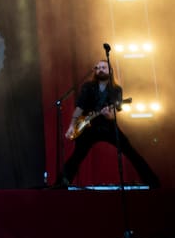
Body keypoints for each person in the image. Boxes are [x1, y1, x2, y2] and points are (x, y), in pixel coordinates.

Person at [51, 60, 160, 189]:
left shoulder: (116, 89)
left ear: (110, 70)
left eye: (104, 67)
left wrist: (108, 114)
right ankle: (61, 184)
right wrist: (71, 126)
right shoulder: (88, 86)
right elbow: (79, 107)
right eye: (98, 68)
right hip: (88, 127)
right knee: (77, 155)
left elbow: (114, 113)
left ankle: (152, 181)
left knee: (130, 151)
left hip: (108, 126)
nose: (100, 70)